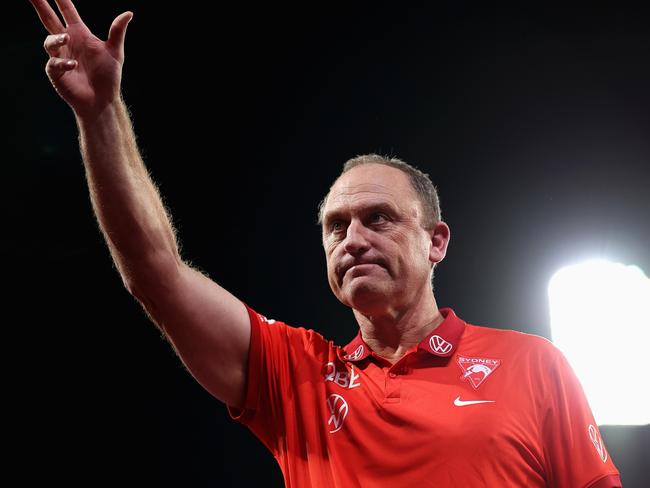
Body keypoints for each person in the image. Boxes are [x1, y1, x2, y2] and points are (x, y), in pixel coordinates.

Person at [30, 1, 623, 486]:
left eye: (379, 218)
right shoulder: (296, 377)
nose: (354, 240)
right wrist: (101, 113)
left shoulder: (534, 365)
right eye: (336, 227)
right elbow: (155, 272)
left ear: (436, 241)